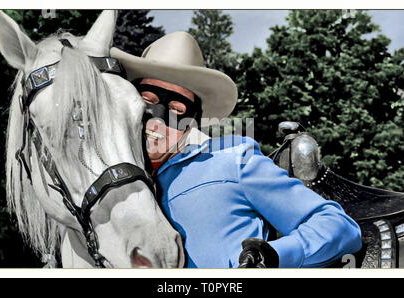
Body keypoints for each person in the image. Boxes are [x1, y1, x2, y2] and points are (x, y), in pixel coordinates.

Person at [110, 32, 362, 268]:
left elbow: (338, 226)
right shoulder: (105, 181)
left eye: (177, 109)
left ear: (193, 121)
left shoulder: (232, 160)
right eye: (148, 101)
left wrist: (273, 255)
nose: (158, 121)